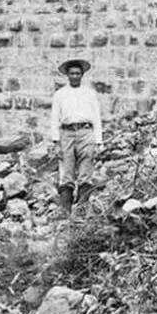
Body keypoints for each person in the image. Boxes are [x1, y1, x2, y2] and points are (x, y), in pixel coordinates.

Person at [50, 58, 104, 216]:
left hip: (86, 132)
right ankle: (65, 210)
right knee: (66, 171)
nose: (75, 76)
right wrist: (56, 142)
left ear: (82, 75)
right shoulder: (60, 95)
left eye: (78, 74)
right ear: (67, 75)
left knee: (85, 170)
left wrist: (98, 141)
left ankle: (82, 210)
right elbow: (54, 118)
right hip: (66, 133)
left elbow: (96, 117)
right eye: (72, 73)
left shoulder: (89, 93)